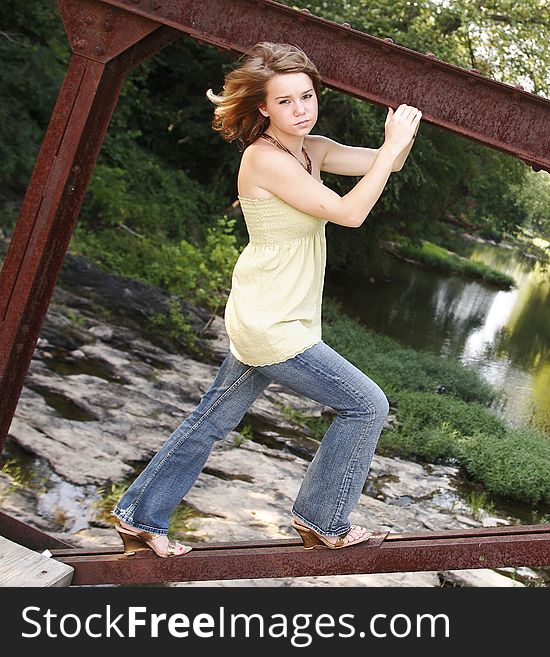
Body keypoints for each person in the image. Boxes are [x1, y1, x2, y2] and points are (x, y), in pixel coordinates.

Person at [112, 42, 422, 557]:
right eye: (285, 102)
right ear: (262, 108)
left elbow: (386, 166)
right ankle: (322, 520)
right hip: (272, 324)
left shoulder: (312, 149)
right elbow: (349, 213)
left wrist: (399, 137)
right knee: (367, 405)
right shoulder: (263, 158)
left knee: (211, 419)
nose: (301, 109)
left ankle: (139, 516)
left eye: (307, 96)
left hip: (276, 312)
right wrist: (390, 149)